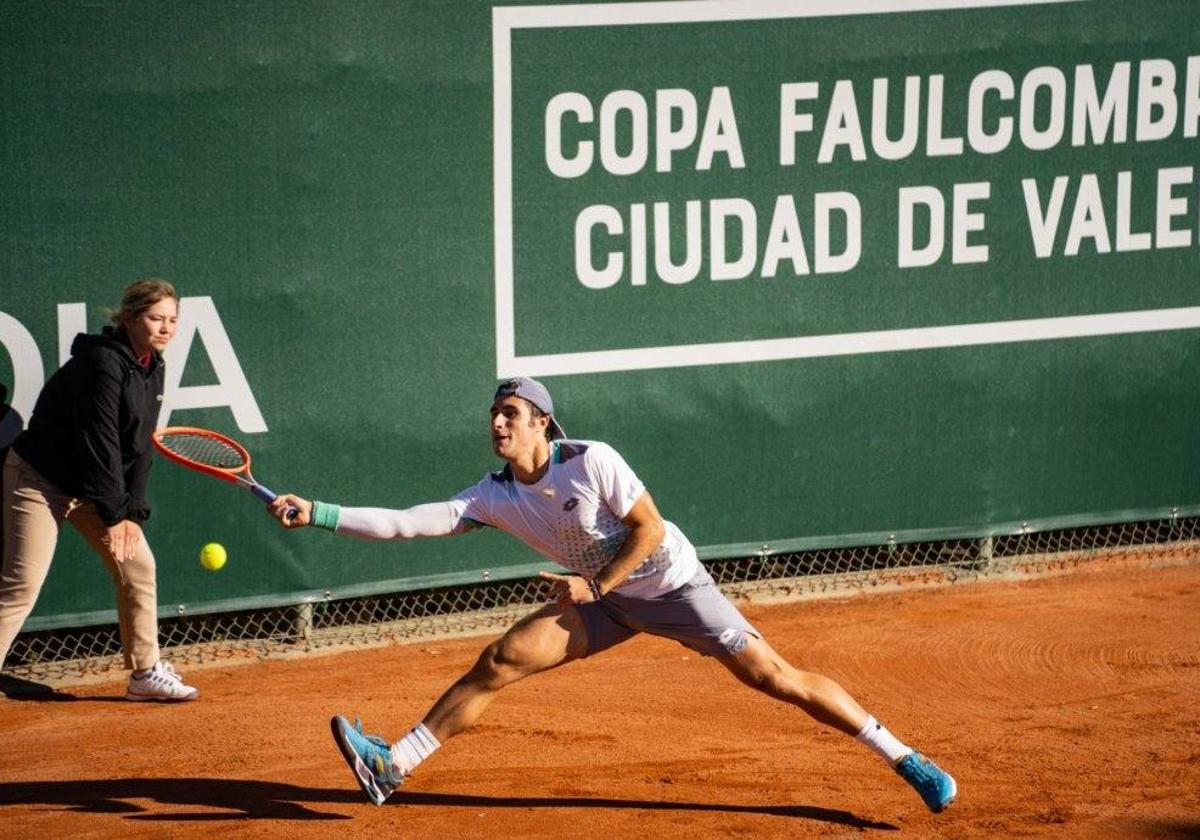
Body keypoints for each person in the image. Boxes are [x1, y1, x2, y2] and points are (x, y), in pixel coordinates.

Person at [267, 377, 955, 812]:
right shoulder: (494, 494)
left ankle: (903, 756)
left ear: (542, 422)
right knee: (501, 659)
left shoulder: (591, 461)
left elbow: (649, 530)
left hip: (674, 586)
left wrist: (595, 584)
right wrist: (320, 512)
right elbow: (408, 524)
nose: (497, 425)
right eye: (493, 416)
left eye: (510, 414)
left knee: (776, 678)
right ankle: (394, 766)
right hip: (603, 600)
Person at [0, 278, 198, 701]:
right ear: (129, 319)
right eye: (155, 318)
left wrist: (133, 512)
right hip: (40, 480)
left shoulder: (153, 366)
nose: (166, 328)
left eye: (173, 320)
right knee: (22, 584)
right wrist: (115, 514)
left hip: (90, 486)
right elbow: (100, 442)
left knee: (138, 567)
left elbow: (141, 444)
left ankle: (144, 674)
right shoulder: (103, 365)